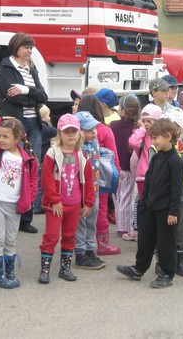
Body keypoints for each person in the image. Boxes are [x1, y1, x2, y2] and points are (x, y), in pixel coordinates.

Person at [116, 118, 183, 289]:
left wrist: (173, 212)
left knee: (165, 244)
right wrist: (143, 202)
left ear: (168, 136)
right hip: (149, 207)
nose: (153, 142)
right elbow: (148, 181)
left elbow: (177, 189)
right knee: (145, 240)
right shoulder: (155, 157)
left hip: (166, 211)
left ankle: (167, 273)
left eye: (155, 138)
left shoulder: (175, 161)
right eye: (151, 138)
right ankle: (139, 269)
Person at [0, 32, 48, 233]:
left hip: (34, 124)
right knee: (12, 168)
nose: (30, 51)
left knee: (31, 166)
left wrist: (26, 90)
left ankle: (26, 218)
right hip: (14, 124)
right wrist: (32, 96)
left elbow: (43, 96)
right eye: (26, 47)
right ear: (16, 47)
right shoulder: (5, 68)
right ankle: (10, 214)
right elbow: (12, 98)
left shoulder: (31, 69)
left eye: (31, 47)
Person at [0, 116, 38, 289]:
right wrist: (1, 119)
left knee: (11, 239)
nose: (1, 140)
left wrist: (30, 199)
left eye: (6, 136)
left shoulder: (26, 158)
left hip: (15, 205)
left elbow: (33, 180)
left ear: (17, 138)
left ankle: (9, 271)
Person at [38, 114, 94, 284]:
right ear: (60, 134)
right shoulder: (52, 153)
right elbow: (47, 179)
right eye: (66, 131)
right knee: (51, 236)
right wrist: (54, 200)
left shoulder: (82, 155)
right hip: (56, 205)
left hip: (74, 203)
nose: (70, 135)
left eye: (74, 131)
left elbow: (89, 180)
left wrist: (89, 202)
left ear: (79, 133)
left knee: (70, 236)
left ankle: (65, 268)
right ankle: (45, 270)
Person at [77, 94, 121, 255]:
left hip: (80, 180)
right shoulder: (104, 130)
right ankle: (102, 244)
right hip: (100, 178)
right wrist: (117, 175)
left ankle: (82, 245)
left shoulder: (77, 131)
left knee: (82, 213)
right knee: (100, 209)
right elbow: (113, 155)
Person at [157, 107, 183, 277]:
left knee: (179, 230)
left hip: (181, 195)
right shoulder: (155, 148)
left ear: (178, 130)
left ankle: (179, 261)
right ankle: (161, 261)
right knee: (162, 230)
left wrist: (171, 167)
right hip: (162, 197)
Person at [73, 111, 106, 270]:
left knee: (92, 221)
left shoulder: (95, 142)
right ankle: (80, 253)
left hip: (95, 189)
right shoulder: (74, 147)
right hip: (81, 192)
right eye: (88, 129)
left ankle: (89, 249)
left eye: (94, 128)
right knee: (81, 222)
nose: (93, 132)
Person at [110, 94, 141, 241]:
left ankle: (120, 226)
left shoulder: (113, 126)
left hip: (115, 166)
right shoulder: (137, 128)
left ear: (122, 111)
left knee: (117, 196)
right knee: (127, 198)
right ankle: (125, 226)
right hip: (128, 167)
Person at [33, 105, 58, 215]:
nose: (49, 118)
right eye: (48, 115)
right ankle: (37, 205)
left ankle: (34, 204)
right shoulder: (45, 128)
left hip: (36, 158)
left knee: (36, 182)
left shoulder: (35, 128)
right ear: (42, 117)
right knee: (41, 184)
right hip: (43, 158)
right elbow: (58, 132)